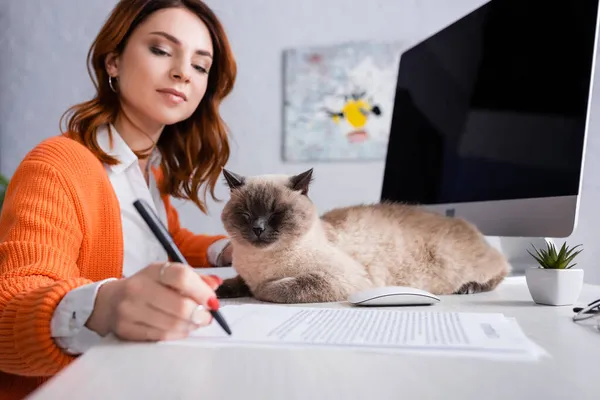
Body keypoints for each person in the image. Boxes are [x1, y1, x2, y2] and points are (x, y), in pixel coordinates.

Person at [0, 0, 237, 398]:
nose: (182, 72)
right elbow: (10, 304)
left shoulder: (148, 173)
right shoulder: (60, 163)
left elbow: (168, 239)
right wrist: (105, 307)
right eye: (161, 50)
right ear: (113, 62)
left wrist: (228, 251)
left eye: (200, 65)